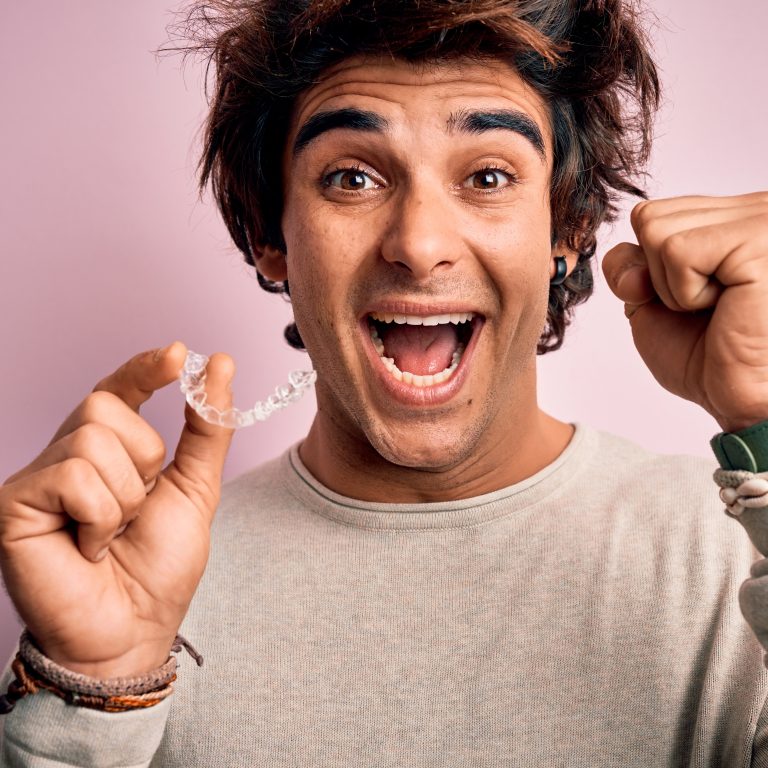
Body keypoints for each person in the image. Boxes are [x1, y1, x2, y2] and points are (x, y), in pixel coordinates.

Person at [1, 0, 768, 764]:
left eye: (490, 175)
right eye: (353, 177)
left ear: (565, 230)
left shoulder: (735, 548)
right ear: (273, 236)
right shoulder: (143, 589)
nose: (419, 243)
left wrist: (764, 423)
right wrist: (90, 698)